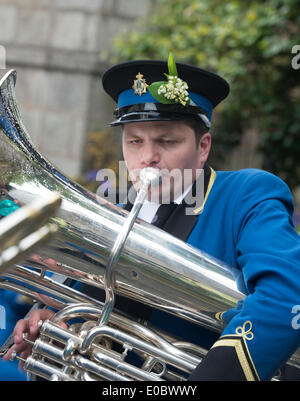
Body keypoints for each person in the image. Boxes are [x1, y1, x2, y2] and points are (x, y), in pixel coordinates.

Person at [3, 54, 300, 381]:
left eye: (166, 141)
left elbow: (286, 296)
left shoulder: (246, 195)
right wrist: (54, 323)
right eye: (134, 141)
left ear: (203, 147)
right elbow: (90, 309)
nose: (147, 158)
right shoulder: (111, 205)